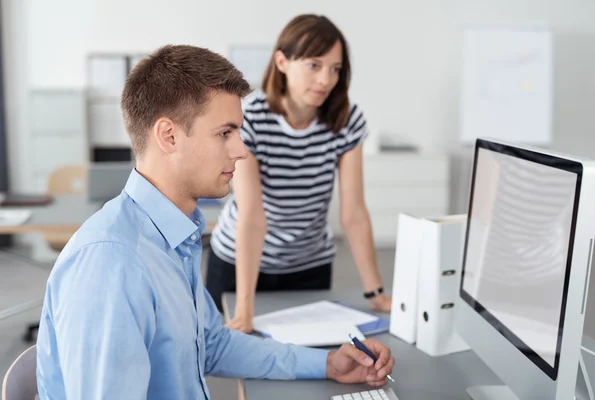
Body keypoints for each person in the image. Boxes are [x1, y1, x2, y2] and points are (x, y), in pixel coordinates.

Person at [34, 45, 395, 399]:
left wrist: (327, 363)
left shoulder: (175, 235)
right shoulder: (111, 264)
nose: (241, 149)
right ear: (169, 135)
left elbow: (211, 344)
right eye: (225, 133)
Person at [207, 14, 392, 333]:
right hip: (241, 263)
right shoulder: (251, 117)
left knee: (307, 362)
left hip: (309, 265)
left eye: (335, 69)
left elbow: (354, 214)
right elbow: (251, 215)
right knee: (236, 357)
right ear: (282, 61)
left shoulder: (346, 120)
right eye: (314, 65)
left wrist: (375, 293)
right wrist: (245, 308)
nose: (326, 80)